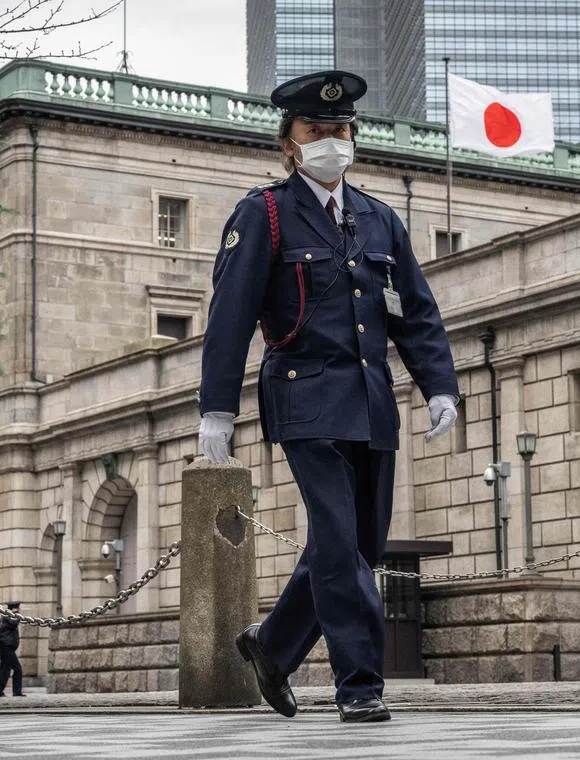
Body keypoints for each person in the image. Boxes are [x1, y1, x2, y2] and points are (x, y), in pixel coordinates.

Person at [198, 70, 459, 724]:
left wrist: (440, 388)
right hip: (305, 399)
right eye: (316, 131)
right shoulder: (263, 214)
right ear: (289, 143)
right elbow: (229, 318)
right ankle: (360, 685)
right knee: (340, 543)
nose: (331, 142)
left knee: (360, 545)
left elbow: (416, 314)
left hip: (372, 403)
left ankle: (272, 644)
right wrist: (216, 416)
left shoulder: (380, 219)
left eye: (340, 131)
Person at [0, 600, 25, 697]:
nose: (19, 610)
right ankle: (17, 692)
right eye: (18, 608)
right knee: (17, 669)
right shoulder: (8, 616)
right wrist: (16, 614)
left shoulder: (6, 616)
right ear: (14, 608)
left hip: (6, 647)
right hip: (6, 647)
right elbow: (14, 623)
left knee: (5, 670)